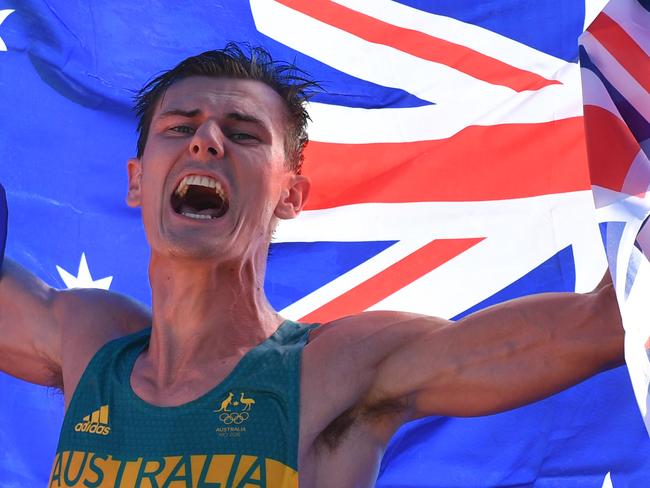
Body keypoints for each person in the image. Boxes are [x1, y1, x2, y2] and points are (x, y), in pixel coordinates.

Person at [0, 44, 623, 488]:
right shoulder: (89, 342)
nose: (206, 140)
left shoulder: (338, 366)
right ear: (137, 182)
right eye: (180, 126)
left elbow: (607, 322)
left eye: (243, 134)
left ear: (291, 195)